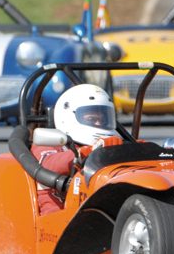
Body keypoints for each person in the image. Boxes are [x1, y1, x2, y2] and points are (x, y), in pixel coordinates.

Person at [35, 83, 118, 213]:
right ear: (67, 117)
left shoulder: (112, 142)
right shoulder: (50, 142)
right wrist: (85, 152)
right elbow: (47, 164)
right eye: (91, 119)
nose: (98, 123)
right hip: (58, 215)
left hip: (100, 206)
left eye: (103, 119)